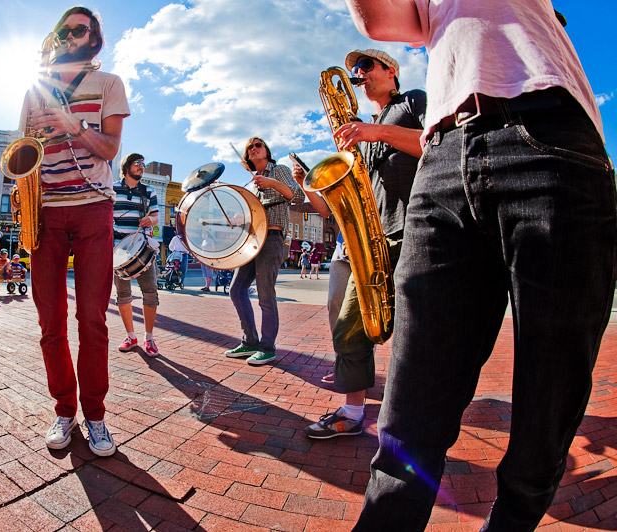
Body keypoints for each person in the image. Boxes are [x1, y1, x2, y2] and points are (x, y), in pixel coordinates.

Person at [342, 2, 617, 531]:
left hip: (549, 127)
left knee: (548, 401)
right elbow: (381, 23)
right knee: (409, 410)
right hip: (443, 154)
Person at [297, 48, 426, 441]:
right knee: (351, 325)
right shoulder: (367, 126)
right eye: (355, 70)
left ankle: (419, 415)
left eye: (366, 66)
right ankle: (352, 411)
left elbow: (438, 146)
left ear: (391, 71)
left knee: (418, 332)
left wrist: (375, 132)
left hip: (416, 228)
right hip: (373, 236)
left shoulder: (413, 100)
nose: (359, 74)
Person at [20, 6, 129, 456]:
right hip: (45, 209)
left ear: (93, 38)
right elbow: (21, 149)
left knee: (91, 318)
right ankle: (64, 410)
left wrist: (73, 126)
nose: (68, 35)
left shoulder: (109, 84)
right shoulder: (36, 87)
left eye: (78, 29)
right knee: (50, 322)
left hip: (92, 208)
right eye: (63, 30)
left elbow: (109, 149)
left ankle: (96, 415)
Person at [224, 137, 304, 366]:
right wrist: (243, 219)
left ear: (266, 150)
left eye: (258, 145)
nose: (253, 148)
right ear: (247, 156)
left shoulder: (278, 170)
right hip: (254, 239)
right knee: (237, 289)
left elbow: (298, 196)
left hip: (272, 239)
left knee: (265, 295)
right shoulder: (252, 183)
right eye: (250, 147)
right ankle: (249, 342)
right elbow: (256, 216)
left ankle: (267, 347)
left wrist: (272, 183)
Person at [112, 153, 161, 357]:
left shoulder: (148, 191)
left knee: (150, 294)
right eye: (137, 164)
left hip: (143, 249)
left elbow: (156, 217)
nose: (142, 167)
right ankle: (131, 336)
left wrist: (151, 220)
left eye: (143, 164)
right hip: (117, 252)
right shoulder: (112, 189)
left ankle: (149, 338)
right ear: (127, 167)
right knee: (123, 295)